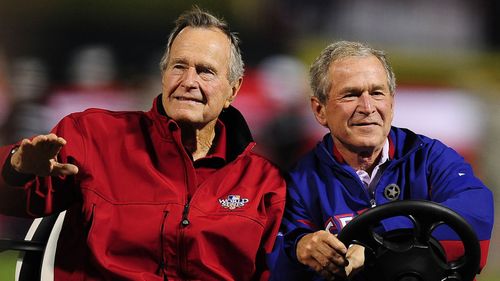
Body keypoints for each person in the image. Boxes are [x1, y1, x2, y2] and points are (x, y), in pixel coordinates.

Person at [0, 7, 286, 281]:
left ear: (233, 89)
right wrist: (17, 169)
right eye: (178, 66)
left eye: (205, 71)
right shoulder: (93, 136)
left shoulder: (264, 183)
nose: (188, 81)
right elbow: (13, 198)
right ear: (163, 75)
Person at [270, 41, 494, 280]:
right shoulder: (300, 183)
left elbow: (476, 214)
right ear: (320, 110)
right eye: (351, 95)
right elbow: (278, 254)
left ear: (391, 102)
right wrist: (299, 247)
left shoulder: (430, 158)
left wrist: (378, 245)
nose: (367, 107)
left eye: (377, 93)